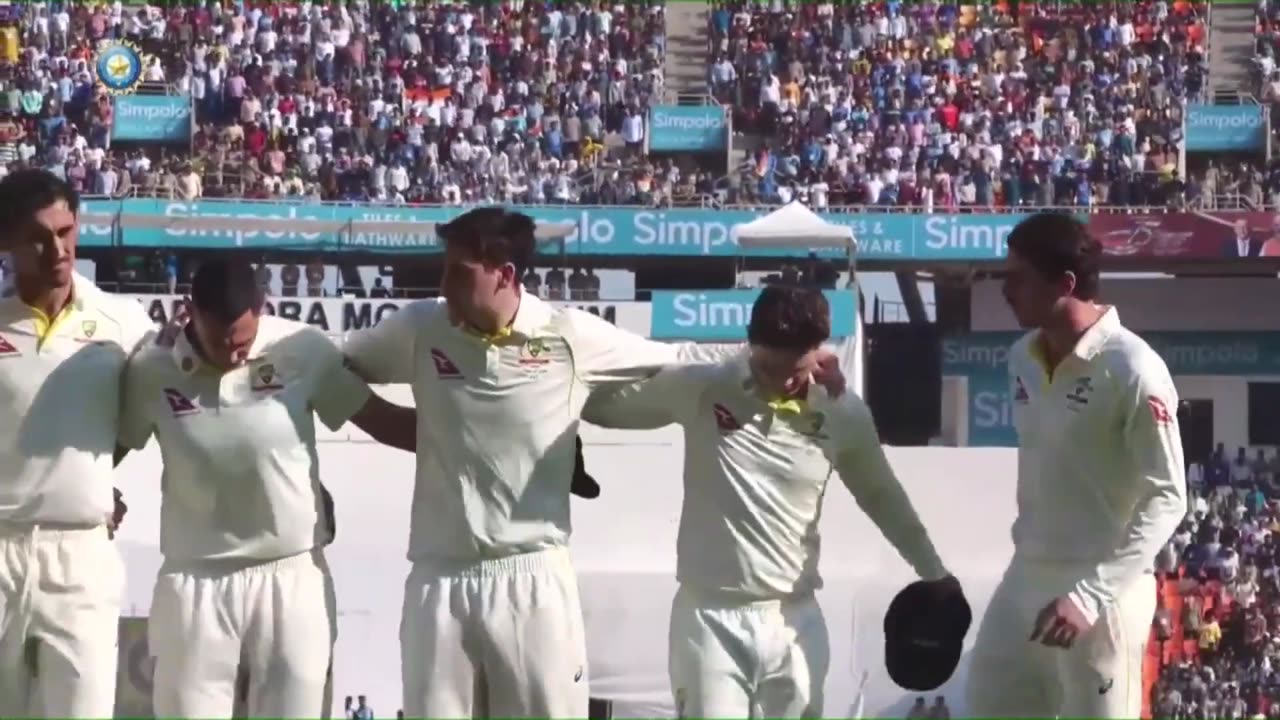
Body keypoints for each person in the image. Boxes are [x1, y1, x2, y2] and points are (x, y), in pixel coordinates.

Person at [341, 207, 842, 718]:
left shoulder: (569, 337)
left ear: (505, 275)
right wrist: (413, 430)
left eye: (460, 271)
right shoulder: (419, 328)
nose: (443, 285)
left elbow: (676, 358)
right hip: (437, 577)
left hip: (531, 579)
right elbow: (336, 369)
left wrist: (788, 361)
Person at [582, 285, 958, 718]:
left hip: (793, 619)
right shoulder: (705, 385)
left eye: (794, 370)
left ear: (817, 350)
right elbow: (609, 408)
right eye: (767, 367)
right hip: (710, 619)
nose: (780, 382)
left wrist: (934, 572)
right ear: (750, 343)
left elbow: (881, 496)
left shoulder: (843, 413)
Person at [115, 258, 416, 717]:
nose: (233, 354)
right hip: (194, 580)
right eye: (220, 342)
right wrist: (94, 490)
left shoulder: (302, 350)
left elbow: (380, 420)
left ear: (262, 307)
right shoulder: (151, 368)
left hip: (292, 576)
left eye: (243, 341)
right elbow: (106, 448)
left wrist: (474, 435)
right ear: (189, 312)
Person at [966, 213, 1187, 717]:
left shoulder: (1133, 367)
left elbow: (1170, 495)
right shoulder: (1021, 356)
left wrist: (1089, 595)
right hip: (1025, 577)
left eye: (1018, 277)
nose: (1006, 288)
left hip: (1100, 594)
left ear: (1065, 284)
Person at [0, 168, 155, 717]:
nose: (57, 250)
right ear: (6, 242)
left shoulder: (125, 322)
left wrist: (91, 478)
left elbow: (158, 407)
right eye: (38, 238)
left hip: (81, 553)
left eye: (66, 232)